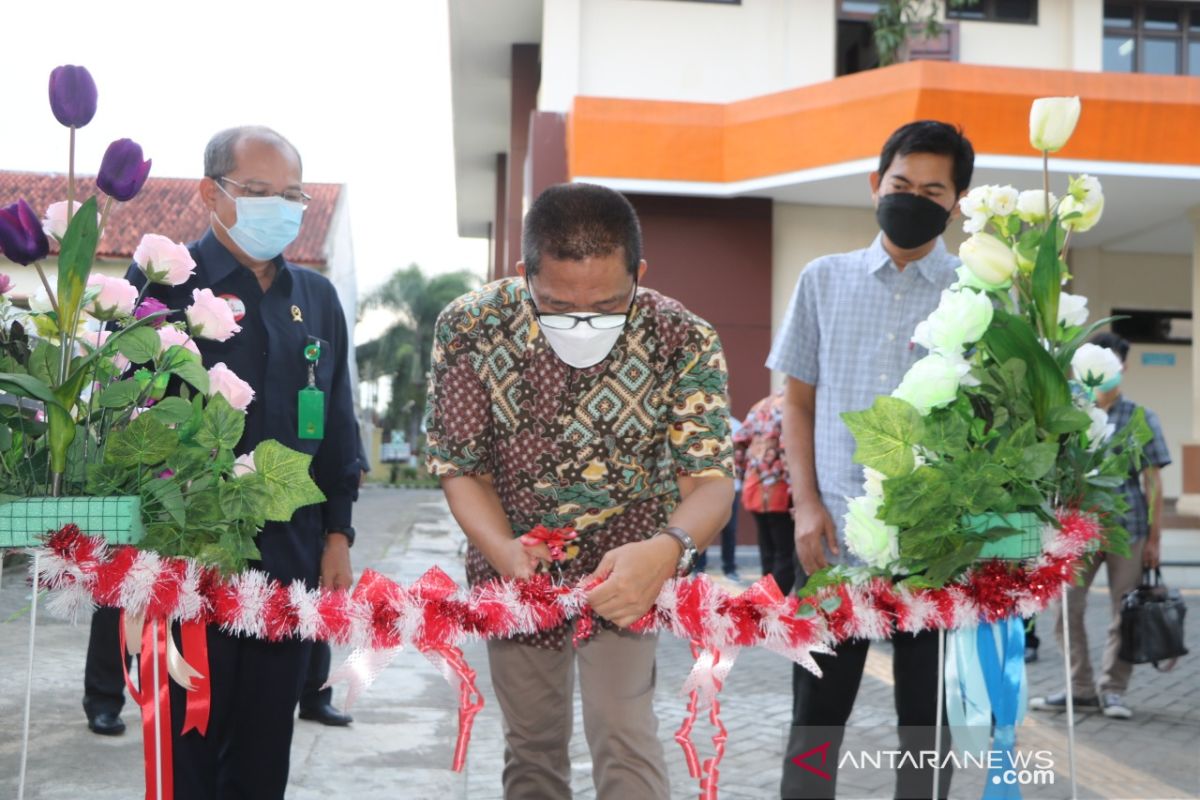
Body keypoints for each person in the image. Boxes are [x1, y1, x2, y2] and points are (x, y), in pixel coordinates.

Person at [424, 182, 735, 800]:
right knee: (532, 746)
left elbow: (709, 481)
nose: (585, 323)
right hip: (516, 568)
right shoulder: (471, 326)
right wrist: (504, 549)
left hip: (631, 568)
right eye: (559, 306)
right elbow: (461, 467)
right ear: (524, 275)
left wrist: (668, 548)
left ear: (639, 275)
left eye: (610, 304)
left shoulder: (682, 337)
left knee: (624, 732)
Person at [126, 125, 359, 799]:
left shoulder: (315, 300)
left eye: (290, 194)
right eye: (257, 192)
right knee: (185, 745)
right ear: (210, 193)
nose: (278, 208)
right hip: (185, 557)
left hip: (288, 560)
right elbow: (122, 410)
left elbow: (337, 423)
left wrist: (338, 532)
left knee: (263, 755)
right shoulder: (164, 281)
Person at [770, 120, 974, 800]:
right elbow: (794, 403)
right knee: (814, 728)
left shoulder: (978, 297)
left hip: (935, 553)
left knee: (926, 731)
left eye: (932, 189)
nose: (912, 198)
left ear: (958, 200)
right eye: (900, 184)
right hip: (834, 543)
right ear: (875, 185)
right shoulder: (822, 281)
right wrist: (806, 506)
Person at [1031, 332, 1171, 720]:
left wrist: (1154, 537)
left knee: (1124, 612)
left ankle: (1113, 689)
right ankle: (1080, 687)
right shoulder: (1070, 415)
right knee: (1065, 609)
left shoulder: (1141, 417)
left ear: (1121, 368)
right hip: (1079, 530)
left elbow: (1153, 481)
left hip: (1129, 528)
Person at [299, 430, 371, 726]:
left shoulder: (328, 386)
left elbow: (353, 460)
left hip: (312, 514)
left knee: (317, 609)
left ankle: (315, 698)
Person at [734, 389, 796, 595]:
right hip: (779, 489)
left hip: (754, 487)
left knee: (767, 552)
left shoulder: (759, 405)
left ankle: (764, 604)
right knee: (785, 554)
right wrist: (797, 489)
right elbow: (790, 448)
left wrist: (744, 476)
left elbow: (738, 443)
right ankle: (769, 603)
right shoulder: (791, 405)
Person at [697, 415, 743, 582]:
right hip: (705, 487)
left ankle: (729, 568)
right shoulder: (701, 423)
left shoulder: (736, 426)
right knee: (703, 528)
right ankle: (699, 568)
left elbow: (743, 455)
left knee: (729, 530)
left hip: (732, 486)